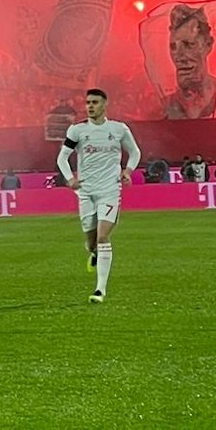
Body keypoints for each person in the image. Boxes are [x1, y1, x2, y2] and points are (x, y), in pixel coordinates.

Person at [56, 88, 141, 304]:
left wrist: (128, 171)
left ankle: (100, 290)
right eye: (88, 103)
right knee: (91, 242)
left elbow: (135, 152)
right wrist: (70, 178)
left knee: (103, 236)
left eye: (94, 102)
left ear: (105, 104)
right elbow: (62, 158)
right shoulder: (77, 131)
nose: (90, 106)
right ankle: (94, 253)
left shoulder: (119, 129)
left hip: (110, 191)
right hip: (85, 192)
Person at [163, 5, 216, 119]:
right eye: (173, 47)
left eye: (189, 44)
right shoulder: (164, 106)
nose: (179, 56)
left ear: (208, 44)